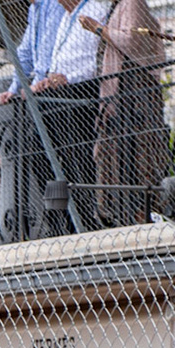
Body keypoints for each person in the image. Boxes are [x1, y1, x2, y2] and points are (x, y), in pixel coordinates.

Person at [0, 0, 112, 237]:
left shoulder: (62, 7)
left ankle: (80, 220)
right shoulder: (38, 9)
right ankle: (60, 217)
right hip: (45, 92)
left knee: (74, 159)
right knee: (44, 159)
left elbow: (87, 56)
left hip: (70, 91)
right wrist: (17, 85)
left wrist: (55, 79)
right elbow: (26, 53)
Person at [83, 0, 167, 225]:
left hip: (134, 95)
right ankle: (122, 217)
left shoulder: (132, 3)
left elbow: (132, 40)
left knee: (138, 161)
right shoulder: (117, 7)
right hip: (119, 101)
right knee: (116, 160)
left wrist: (98, 28)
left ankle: (143, 215)